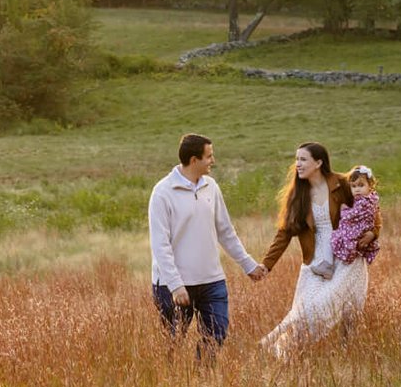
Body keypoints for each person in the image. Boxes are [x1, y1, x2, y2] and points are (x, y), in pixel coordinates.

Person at [148, 132, 265, 353]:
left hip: (212, 281)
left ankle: (203, 380)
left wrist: (248, 264)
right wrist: (175, 284)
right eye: (209, 156)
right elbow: (160, 244)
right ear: (194, 160)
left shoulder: (211, 187)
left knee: (216, 335)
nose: (213, 161)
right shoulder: (162, 193)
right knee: (172, 344)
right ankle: (175, 384)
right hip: (174, 285)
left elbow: (226, 231)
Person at [259, 142, 374, 359]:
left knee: (345, 310)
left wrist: (372, 233)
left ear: (318, 163)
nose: (297, 164)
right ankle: (284, 351)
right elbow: (284, 233)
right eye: (296, 159)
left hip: (345, 256)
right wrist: (266, 265)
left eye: (303, 159)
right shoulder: (298, 194)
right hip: (315, 260)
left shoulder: (342, 184)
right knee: (307, 312)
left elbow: (369, 206)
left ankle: (345, 355)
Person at [330, 165, 382, 267]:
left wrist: (373, 233)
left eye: (361, 185)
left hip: (361, 234)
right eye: (353, 186)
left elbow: (376, 220)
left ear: (370, 185)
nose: (357, 189)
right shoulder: (350, 200)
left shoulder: (369, 202)